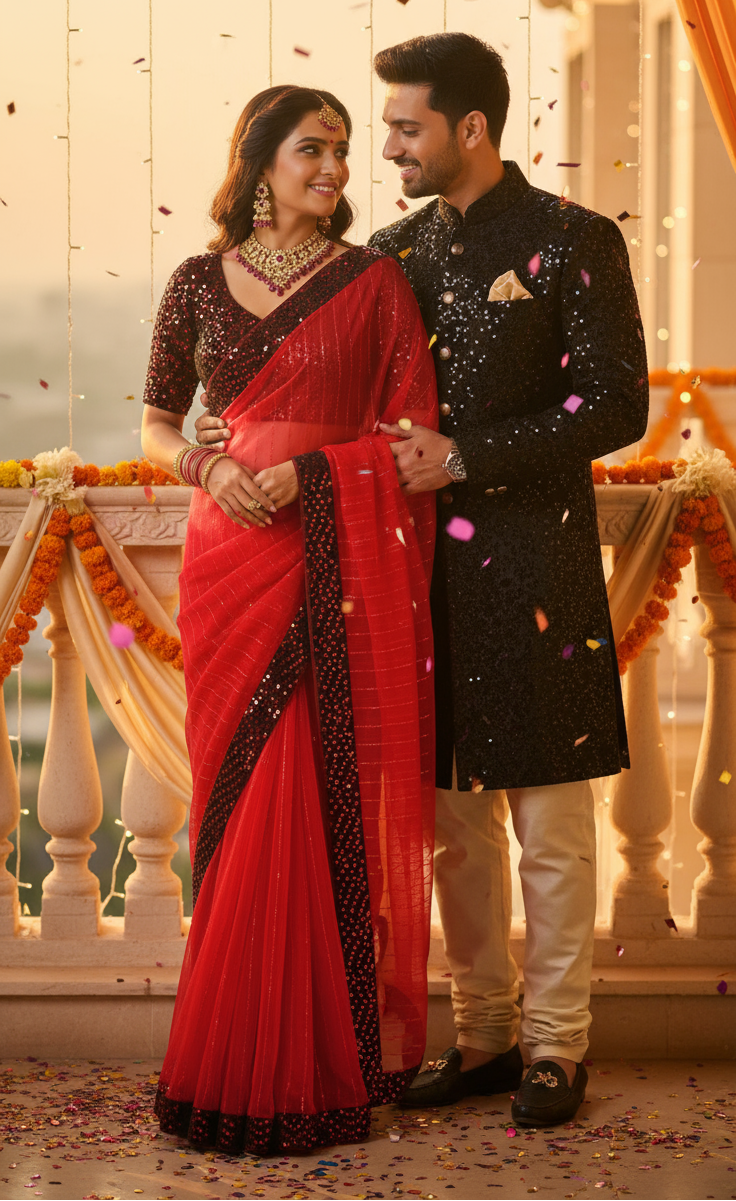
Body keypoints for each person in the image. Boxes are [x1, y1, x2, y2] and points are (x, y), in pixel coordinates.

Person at [196, 34, 649, 1128]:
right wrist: (222, 434)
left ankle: (556, 1046)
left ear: (471, 130)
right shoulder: (388, 257)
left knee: (547, 821)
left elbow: (616, 406)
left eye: (402, 128)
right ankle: (483, 1030)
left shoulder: (571, 240)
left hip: (535, 568)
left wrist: (465, 457)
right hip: (399, 578)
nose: (381, 149)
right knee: (445, 823)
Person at [140, 84, 439, 1156]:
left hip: (325, 558)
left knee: (307, 790)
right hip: (229, 559)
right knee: (236, 795)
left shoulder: (375, 283)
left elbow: (411, 436)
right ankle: (224, 1055)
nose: (332, 170)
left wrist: (311, 475)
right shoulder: (192, 282)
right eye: (311, 150)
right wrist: (206, 467)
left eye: (343, 152)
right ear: (260, 161)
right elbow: (158, 415)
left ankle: (312, 1061)